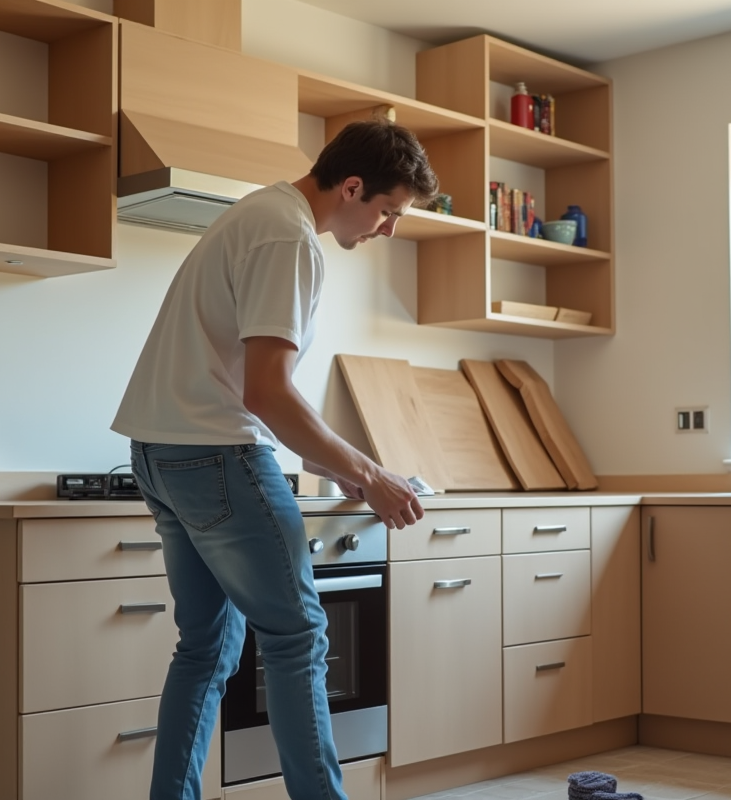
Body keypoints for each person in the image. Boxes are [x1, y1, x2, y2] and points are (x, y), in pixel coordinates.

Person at [111, 119, 440, 800]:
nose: (388, 229)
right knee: (298, 639)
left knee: (205, 649)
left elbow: (257, 387)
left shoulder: (258, 213)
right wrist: (370, 474)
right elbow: (267, 393)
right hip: (217, 456)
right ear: (352, 187)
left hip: (159, 454)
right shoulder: (289, 237)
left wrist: (350, 469)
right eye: (388, 211)